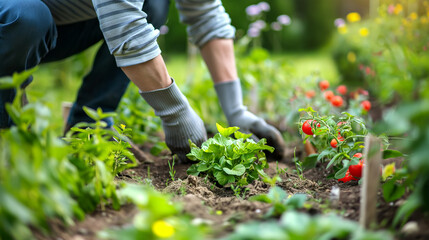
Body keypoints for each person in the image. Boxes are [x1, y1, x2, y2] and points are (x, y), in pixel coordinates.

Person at [0, 0, 286, 162]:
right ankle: (10, 144)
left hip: (57, 20)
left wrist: (235, 110)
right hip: (16, 21)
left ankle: (88, 128)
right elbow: (125, 25)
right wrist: (176, 113)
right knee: (26, 20)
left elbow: (206, 14)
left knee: (153, 2)